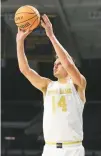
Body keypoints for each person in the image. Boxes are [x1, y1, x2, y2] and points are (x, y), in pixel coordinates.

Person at [16, 14, 86, 156]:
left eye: (58, 63)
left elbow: (67, 63)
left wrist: (51, 36)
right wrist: (19, 42)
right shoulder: (47, 86)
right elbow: (25, 70)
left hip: (72, 149)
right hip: (50, 149)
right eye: (54, 64)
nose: (55, 66)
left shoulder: (78, 83)